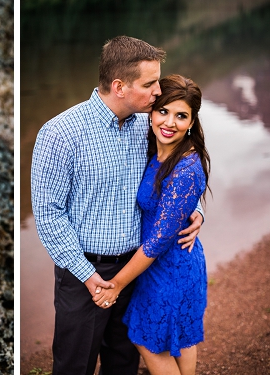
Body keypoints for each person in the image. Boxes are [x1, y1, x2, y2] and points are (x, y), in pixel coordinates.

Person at [30, 35, 204, 375]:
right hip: (84, 272)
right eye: (150, 84)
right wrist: (88, 276)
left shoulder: (149, 124)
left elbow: (178, 173)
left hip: (137, 268)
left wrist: (196, 209)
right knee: (74, 365)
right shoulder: (61, 134)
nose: (158, 92)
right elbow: (49, 215)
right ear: (120, 86)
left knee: (123, 363)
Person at [93, 74, 210, 375]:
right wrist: (196, 210)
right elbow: (172, 200)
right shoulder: (154, 148)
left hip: (171, 270)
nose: (170, 122)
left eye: (181, 115)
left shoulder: (186, 166)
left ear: (192, 122)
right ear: (152, 112)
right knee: (178, 338)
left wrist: (115, 284)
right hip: (158, 265)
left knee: (149, 343)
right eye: (163, 111)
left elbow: (158, 240)